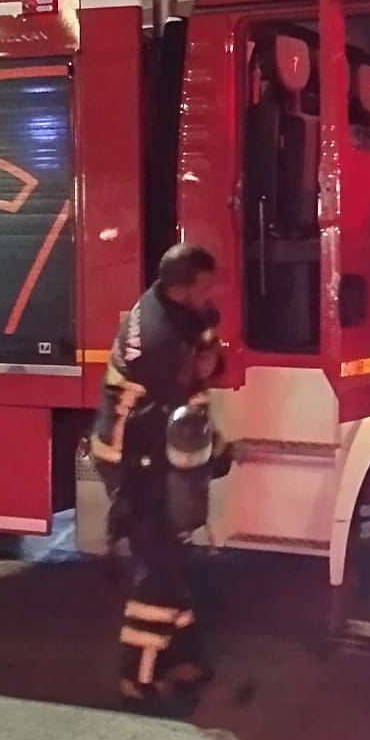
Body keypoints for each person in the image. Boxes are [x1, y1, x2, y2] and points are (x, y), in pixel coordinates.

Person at [90, 242, 227, 712]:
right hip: (134, 461)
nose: (211, 294)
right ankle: (136, 677)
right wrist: (214, 452)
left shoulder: (173, 310)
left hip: (143, 447)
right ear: (180, 288)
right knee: (161, 567)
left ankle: (182, 659)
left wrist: (211, 354)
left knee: (174, 558)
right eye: (205, 287)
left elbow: (203, 354)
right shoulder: (157, 340)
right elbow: (177, 413)